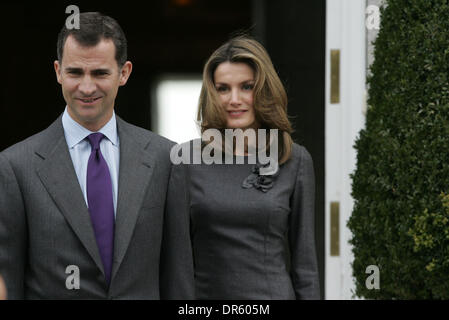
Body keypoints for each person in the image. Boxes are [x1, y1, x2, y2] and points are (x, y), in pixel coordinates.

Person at [0, 12, 194, 299]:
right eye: (75, 72)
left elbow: (178, 277)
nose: (87, 87)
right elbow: (8, 280)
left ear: (124, 73)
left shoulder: (165, 158)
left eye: (100, 73)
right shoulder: (16, 166)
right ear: (57, 71)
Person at [185, 36, 320, 299]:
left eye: (246, 86)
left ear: (264, 90)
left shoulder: (294, 159)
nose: (234, 99)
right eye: (223, 88)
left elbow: (306, 267)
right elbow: (175, 258)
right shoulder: (187, 160)